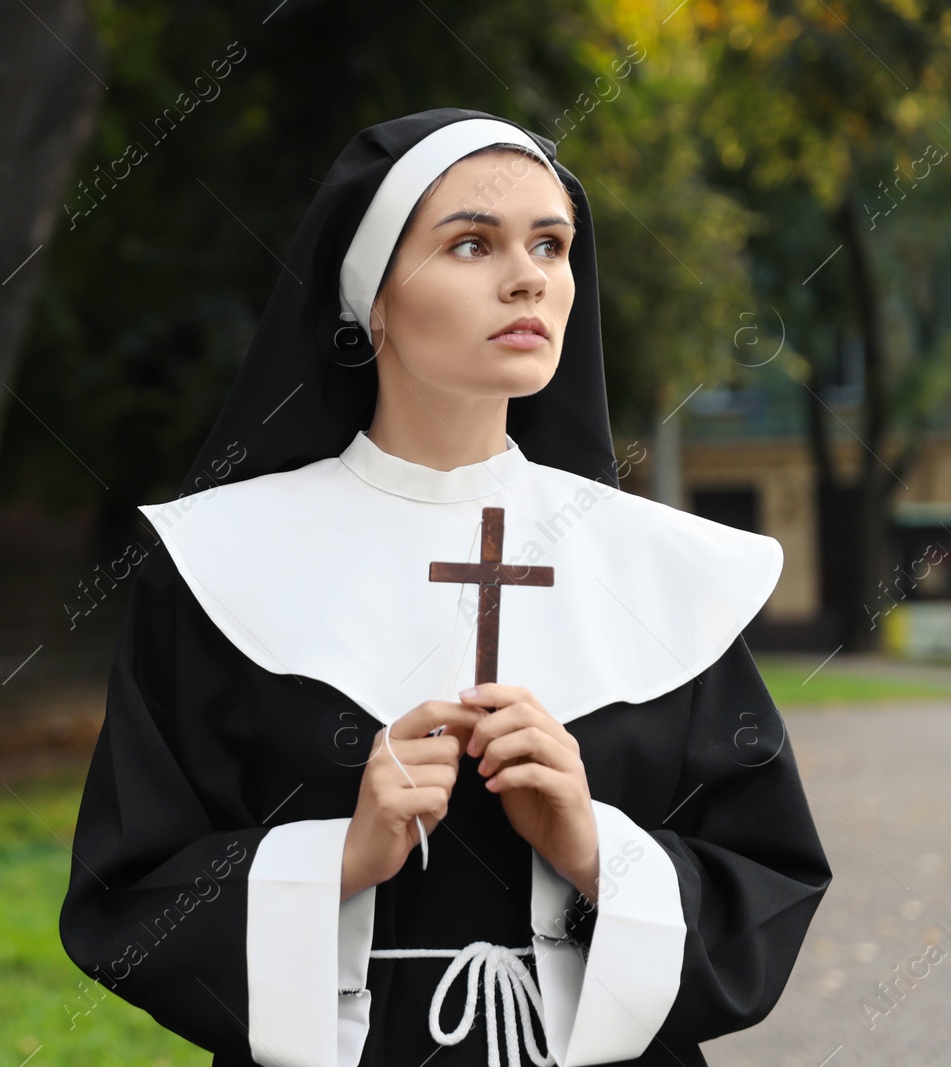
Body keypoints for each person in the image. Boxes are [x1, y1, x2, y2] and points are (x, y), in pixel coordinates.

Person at [57, 107, 831, 1067]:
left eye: (552, 244)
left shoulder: (658, 571)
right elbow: (126, 890)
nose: (528, 277)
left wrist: (596, 851)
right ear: (371, 299)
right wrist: (339, 858)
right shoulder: (220, 562)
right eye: (473, 242)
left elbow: (770, 877)